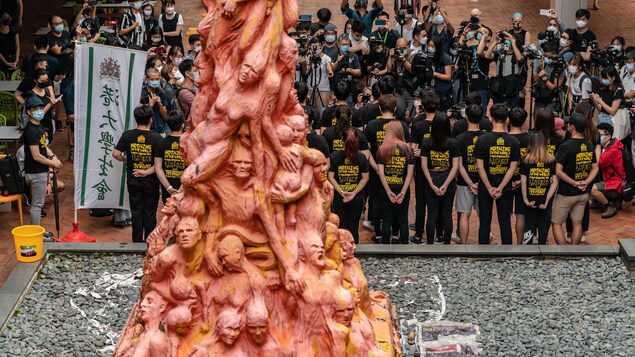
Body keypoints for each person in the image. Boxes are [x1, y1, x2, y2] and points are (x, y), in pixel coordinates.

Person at [113, 104, 163, 243]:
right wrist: (146, 171)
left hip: (133, 179)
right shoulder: (157, 138)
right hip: (151, 181)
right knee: (150, 212)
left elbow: (116, 154)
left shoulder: (127, 135)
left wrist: (126, 159)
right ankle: (150, 241)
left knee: (136, 211)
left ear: (136, 119)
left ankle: (136, 242)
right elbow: (160, 164)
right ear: (151, 120)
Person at [364, 94, 409, 242]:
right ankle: (395, 234)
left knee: (377, 203)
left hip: (378, 169)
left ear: (379, 108)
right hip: (399, 171)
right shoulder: (401, 125)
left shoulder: (371, 125)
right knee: (398, 204)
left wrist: (377, 168)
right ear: (395, 108)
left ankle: (378, 233)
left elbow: (367, 150)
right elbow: (406, 148)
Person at [474, 103, 520, 245]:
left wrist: (489, 188)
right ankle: (507, 252)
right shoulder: (513, 141)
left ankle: (482, 252)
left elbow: (480, 167)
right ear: (507, 120)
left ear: (491, 119)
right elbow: (512, 168)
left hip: (485, 187)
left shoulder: (482, 140)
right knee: (505, 221)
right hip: (505, 187)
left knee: (485, 222)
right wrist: (500, 187)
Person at [551, 113, 599, 245]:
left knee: (556, 223)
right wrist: (586, 182)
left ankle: (564, 253)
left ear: (572, 127)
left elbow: (558, 172)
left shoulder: (565, 146)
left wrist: (575, 183)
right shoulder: (589, 144)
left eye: (569, 124)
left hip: (566, 193)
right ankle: (574, 250)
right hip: (583, 192)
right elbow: (595, 167)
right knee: (577, 223)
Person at [23, 96, 62, 241]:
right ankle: (36, 235)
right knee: (37, 205)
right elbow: (36, 155)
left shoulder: (38, 127)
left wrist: (53, 156)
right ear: (29, 112)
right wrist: (53, 164)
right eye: (35, 109)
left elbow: (43, 146)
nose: (39, 111)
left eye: (41, 108)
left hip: (41, 171)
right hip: (35, 172)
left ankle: (38, 230)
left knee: (39, 203)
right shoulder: (31, 131)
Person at [421, 112, 460, 244]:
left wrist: (432, 184)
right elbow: (455, 166)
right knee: (447, 215)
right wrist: (446, 184)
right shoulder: (453, 143)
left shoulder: (426, 142)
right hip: (447, 177)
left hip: (431, 177)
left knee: (431, 215)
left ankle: (430, 244)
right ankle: (447, 243)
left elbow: (424, 166)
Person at [328, 129, 370, 244]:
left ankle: (340, 253)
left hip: (338, 198)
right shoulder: (361, 157)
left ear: (341, 140)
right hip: (356, 198)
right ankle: (354, 252)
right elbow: (365, 178)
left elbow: (330, 177)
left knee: (340, 228)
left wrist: (341, 191)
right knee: (353, 228)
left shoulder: (334, 157)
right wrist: (354, 192)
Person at [376, 120, 414, 244]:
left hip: (386, 187)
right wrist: (403, 192)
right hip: (402, 186)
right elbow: (410, 173)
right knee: (403, 220)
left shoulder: (382, 148)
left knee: (387, 219)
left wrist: (388, 191)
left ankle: (385, 247)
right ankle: (404, 247)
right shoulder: (408, 148)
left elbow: (381, 172)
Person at [520, 133, 558, 245]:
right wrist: (547, 200)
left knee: (529, 225)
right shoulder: (551, 160)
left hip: (530, 198)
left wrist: (525, 199)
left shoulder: (525, 160)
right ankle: (542, 248)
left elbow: (523, 181)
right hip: (544, 198)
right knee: (543, 226)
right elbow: (554, 182)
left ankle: (528, 250)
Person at [455, 104, 485, 244]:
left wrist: (470, 183)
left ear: (466, 117)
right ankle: (483, 242)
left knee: (464, 215)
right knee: (483, 215)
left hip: (464, 181)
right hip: (483, 182)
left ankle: (464, 244)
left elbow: (459, 165)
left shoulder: (460, 139)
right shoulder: (486, 137)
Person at [482, 29, 524, 107]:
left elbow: (519, 58)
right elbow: (487, 55)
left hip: (512, 91)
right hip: (499, 90)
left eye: (508, 41)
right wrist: (495, 41)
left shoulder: (518, 54)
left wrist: (512, 41)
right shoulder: (500, 53)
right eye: (505, 40)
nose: (506, 42)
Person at [591, 123, 625, 219]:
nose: (597, 138)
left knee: (592, 190)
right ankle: (604, 201)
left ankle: (610, 206)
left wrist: (597, 147)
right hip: (607, 179)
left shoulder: (613, 150)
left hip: (614, 182)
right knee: (588, 203)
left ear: (608, 136)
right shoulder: (606, 147)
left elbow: (599, 163)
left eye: (600, 135)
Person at [155, 110, 186, 205]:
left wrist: (168, 187)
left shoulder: (161, 143)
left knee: (169, 216)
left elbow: (158, 167)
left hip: (167, 188)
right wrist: (183, 187)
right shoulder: (189, 143)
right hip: (186, 187)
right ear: (182, 125)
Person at [508, 108, 529, 244]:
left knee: (506, 215)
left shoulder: (505, 138)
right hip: (523, 181)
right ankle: (519, 243)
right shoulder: (529, 139)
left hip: (506, 181)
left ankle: (507, 241)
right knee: (520, 214)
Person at [141, 67, 170, 135]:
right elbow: (141, 116)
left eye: (157, 79)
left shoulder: (162, 93)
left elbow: (165, 115)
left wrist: (160, 104)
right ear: (146, 79)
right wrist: (151, 105)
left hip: (161, 129)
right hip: (148, 130)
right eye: (152, 79)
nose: (155, 81)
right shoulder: (142, 94)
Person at [426, 35, 452, 110]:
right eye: (429, 45)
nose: (430, 48)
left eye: (432, 46)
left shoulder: (445, 58)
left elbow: (448, 76)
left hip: (443, 90)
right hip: (431, 89)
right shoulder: (428, 56)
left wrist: (434, 74)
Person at [0, 10, 19, 77]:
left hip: (13, 58)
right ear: (0, 19)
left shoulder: (13, 30)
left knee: (15, 76)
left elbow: (17, 46)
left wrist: (16, 60)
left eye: (9, 17)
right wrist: (6, 63)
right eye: (5, 17)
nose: (7, 19)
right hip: (2, 60)